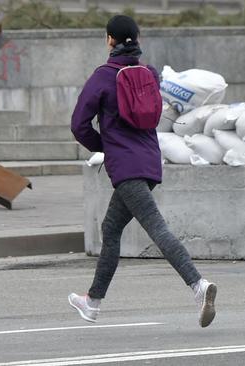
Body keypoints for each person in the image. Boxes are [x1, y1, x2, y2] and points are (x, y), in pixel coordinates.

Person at [68, 15, 217, 328]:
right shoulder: (149, 74)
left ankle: (198, 285)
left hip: (126, 168)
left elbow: (78, 124)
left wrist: (105, 145)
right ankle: (92, 302)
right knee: (111, 229)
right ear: (138, 39)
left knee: (157, 227)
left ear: (109, 39)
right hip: (150, 162)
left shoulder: (103, 77)